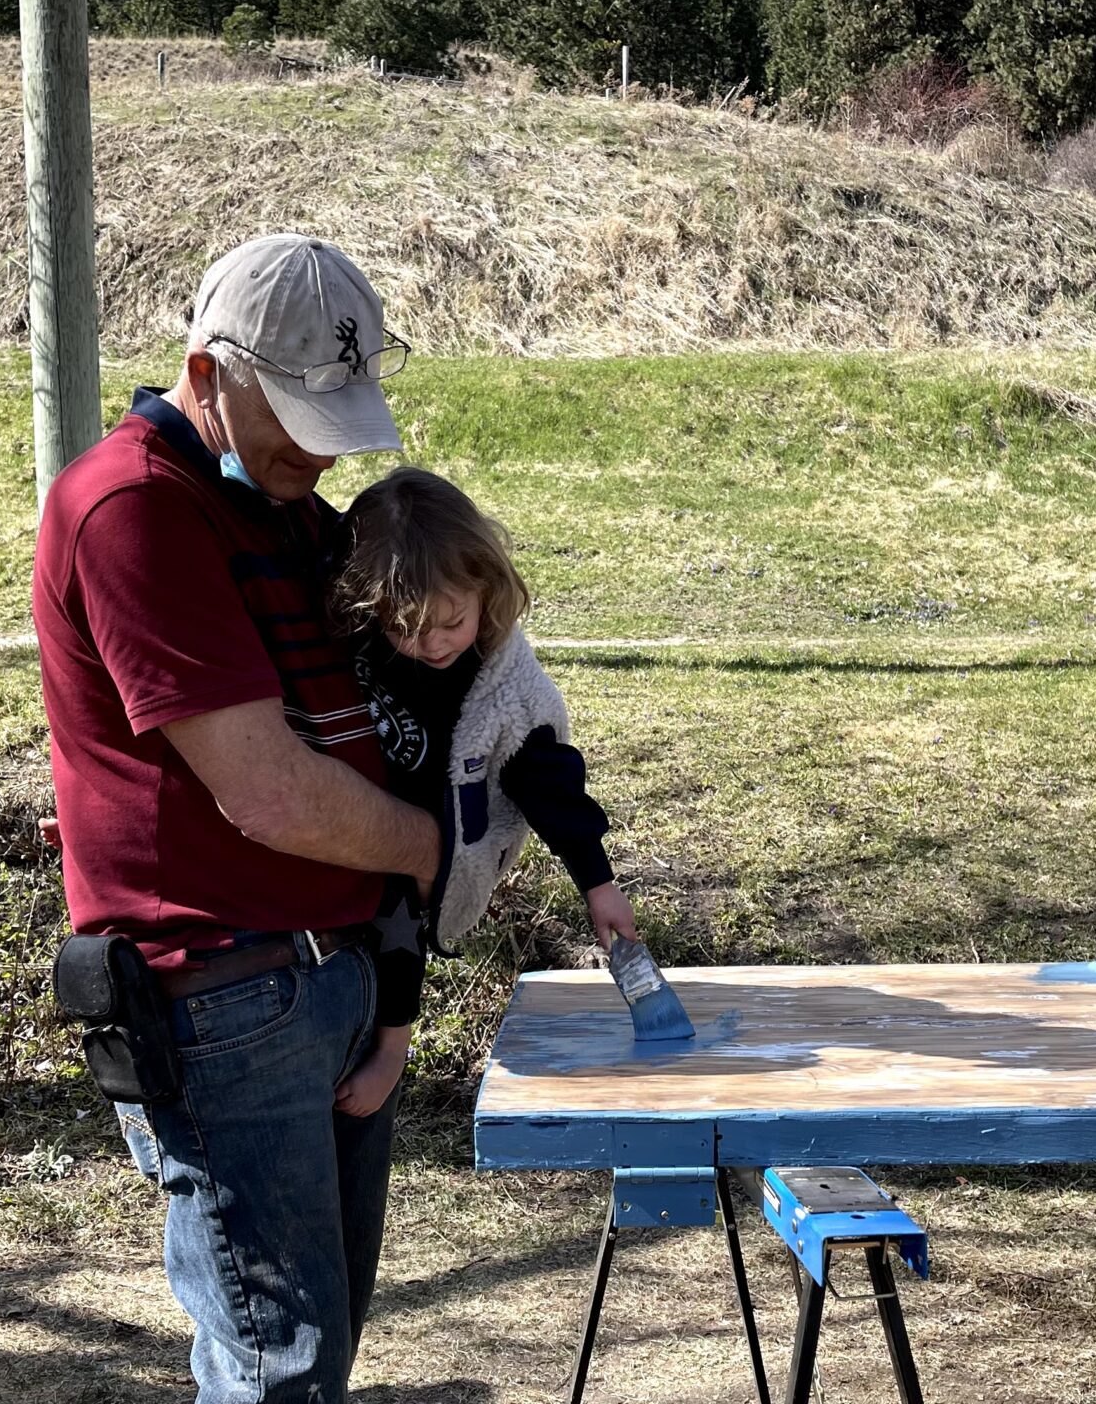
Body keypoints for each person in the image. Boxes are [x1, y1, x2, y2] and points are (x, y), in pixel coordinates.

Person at [32, 234, 437, 1404]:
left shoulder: (286, 508)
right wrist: (440, 852)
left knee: (315, 1347)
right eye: (299, 415)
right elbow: (264, 790)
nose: (322, 448)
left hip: (330, 973)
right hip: (223, 994)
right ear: (207, 377)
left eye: (340, 414)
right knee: (280, 1367)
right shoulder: (130, 510)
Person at [325, 466, 640, 1117]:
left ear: (485, 591)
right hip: (348, 818)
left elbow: (551, 786)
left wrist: (597, 881)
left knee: (398, 927)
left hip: (431, 843)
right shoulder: (363, 635)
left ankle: (392, 1047)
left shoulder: (507, 691)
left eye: (451, 622)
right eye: (407, 628)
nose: (431, 644)